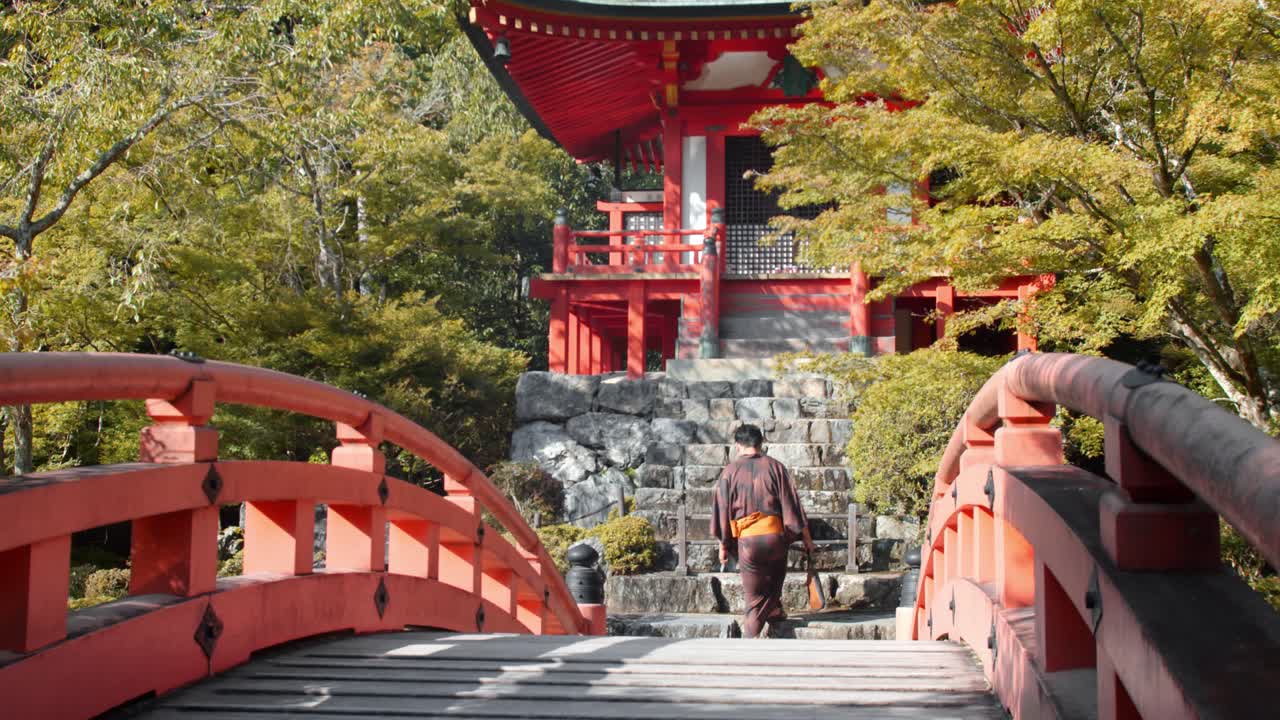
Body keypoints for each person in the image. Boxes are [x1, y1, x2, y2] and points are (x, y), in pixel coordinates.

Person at [711, 423, 814, 638]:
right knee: (773, 585)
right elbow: (793, 507)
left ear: (738, 445)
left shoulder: (730, 472)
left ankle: (750, 642)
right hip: (775, 538)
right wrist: (807, 540)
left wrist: (723, 545)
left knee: (754, 600)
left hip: (748, 542)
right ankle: (775, 612)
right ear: (761, 443)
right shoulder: (776, 467)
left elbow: (722, 511)